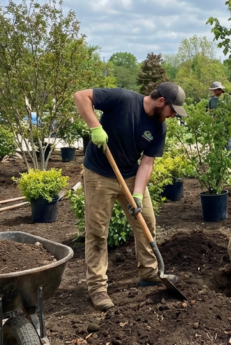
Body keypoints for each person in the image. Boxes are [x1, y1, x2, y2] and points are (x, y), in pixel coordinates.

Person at [73, 82, 188, 311]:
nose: (173, 115)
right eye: (172, 110)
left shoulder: (159, 128)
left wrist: (137, 193)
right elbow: (80, 96)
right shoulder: (122, 98)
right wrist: (95, 126)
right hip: (99, 174)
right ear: (161, 101)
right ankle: (97, 288)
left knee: (146, 221)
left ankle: (150, 272)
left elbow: (147, 162)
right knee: (97, 232)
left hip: (130, 175)